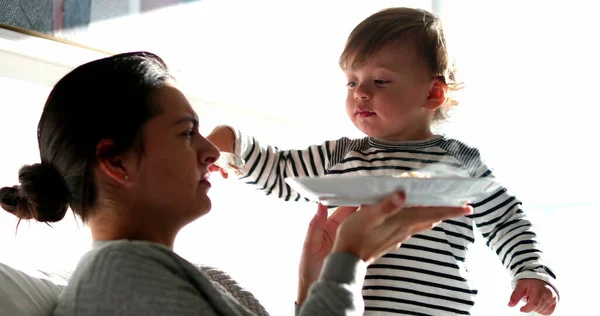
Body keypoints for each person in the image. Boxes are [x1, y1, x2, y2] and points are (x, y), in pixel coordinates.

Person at [0, 51, 472, 316]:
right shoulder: (123, 285)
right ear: (115, 161)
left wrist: (312, 287)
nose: (208, 151)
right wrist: (347, 263)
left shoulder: (185, 275)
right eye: (186, 133)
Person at [207, 7, 559, 316]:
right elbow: (281, 171)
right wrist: (230, 143)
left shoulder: (459, 161)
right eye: (351, 81)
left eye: (380, 80)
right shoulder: (342, 154)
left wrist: (531, 270)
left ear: (433, 93)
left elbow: (506, 220)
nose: (360, 91)